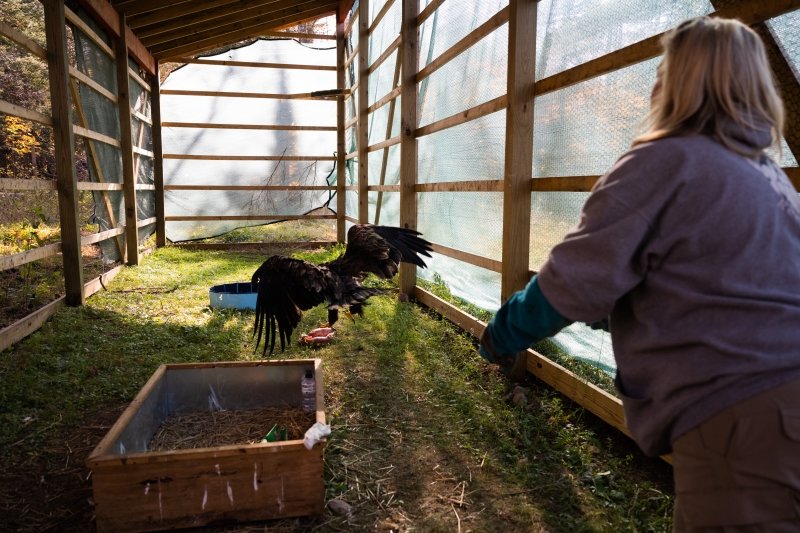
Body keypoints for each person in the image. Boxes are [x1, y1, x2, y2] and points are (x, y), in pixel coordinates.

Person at [479, 16, 800, 531]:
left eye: (666, 66)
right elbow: (717, 289)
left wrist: (503, 332)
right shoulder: (769, 180)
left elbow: (570, 286)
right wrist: (623, 314)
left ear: (678, 80)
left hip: (740, 416)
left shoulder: (667, 160)